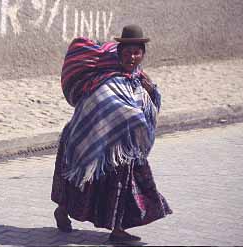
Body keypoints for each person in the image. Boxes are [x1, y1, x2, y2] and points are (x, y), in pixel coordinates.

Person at [51, 24, 172, 243]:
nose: (132, 57)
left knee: (120, 189)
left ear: (143, 54)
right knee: (80, 182)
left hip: (123, 147)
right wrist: (129, 118)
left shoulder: (140, 79)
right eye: (127, 53)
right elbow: (100, 106)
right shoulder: (108, 79)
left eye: (136, 53)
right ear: (119, 53)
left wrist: (152, 91)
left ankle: (117, 230)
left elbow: (151, 107)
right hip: (90, 138)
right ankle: (63, 210)